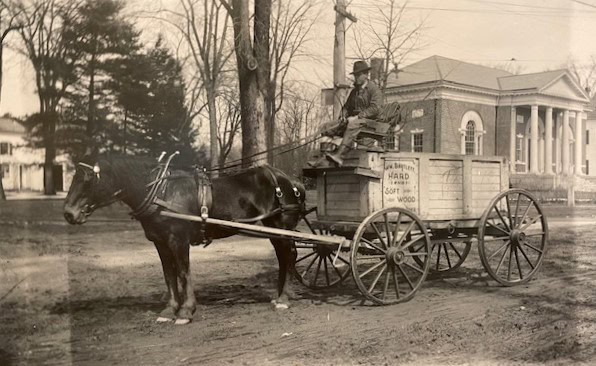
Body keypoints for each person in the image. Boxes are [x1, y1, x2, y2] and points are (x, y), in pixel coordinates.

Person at [309, 60, 383, 167]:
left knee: (353, 124)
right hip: (355, 121)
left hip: (370, 123)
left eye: (358, 75)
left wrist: (357, 117)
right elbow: (346, 107)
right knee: (326, 127)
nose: (356, 77)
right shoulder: (354, 92)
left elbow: (375, 108)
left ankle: (340, 155)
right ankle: (324, 158)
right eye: (355, 75)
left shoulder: (374, 90)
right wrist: (343, 116)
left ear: (366, 75)